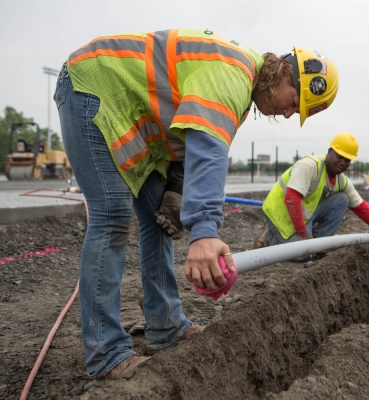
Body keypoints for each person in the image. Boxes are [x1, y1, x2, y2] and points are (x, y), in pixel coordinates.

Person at [54, 28, 339, 380]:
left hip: (130, 116)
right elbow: (208, 148)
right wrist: (204, 230)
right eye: (293, 100)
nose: (286, 113)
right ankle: (107, 352)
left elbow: (184, 131)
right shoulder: (232, 75)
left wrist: (175, 189)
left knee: (157, 220)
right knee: (112, 215)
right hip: (93, 87)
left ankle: (166, 325)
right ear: (284, 72)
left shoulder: (240, 82)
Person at [256, 132, 369, 255]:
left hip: (303, 216)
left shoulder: (341, 181)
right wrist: (303, 233)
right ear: (330, 151)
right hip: (280, 214)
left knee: (342, 199)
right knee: (301, 255)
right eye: (340, 156)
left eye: (347, 160)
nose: (343, 162)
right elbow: (292, 199)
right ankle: (270, 238)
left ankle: (317, 245)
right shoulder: (310, 166)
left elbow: (361, 207)